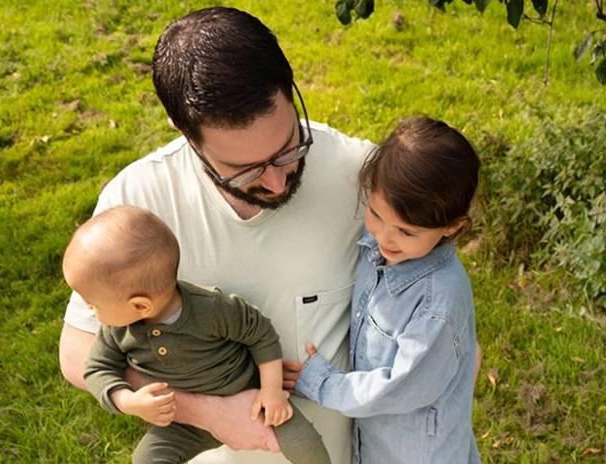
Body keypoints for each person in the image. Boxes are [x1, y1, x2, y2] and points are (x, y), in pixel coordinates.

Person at [58, 6, 376, 463]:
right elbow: (78, 350)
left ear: (291, 90)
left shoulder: (361, 179)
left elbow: (438, 322)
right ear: (185, 134)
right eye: (244, 169)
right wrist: (207, 412)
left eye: (288, 148)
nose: (277, 182)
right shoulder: (138, 199)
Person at [62, 205, 330, 464]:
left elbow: (260, 334)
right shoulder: (116, 331)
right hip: (186, 423)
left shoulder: (211, 308)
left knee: (303, 442)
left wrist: (271, 391)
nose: (89, 309)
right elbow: (97, 368)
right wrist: (127, 400)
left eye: (92, 303)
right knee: (147, 458)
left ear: (140, 306)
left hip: (250, 396)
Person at [294, 117, 482, 463]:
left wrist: (321, 383)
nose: (385, 238)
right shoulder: (376, 249)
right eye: (376, 215)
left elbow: (400, 386)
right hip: (379, 446)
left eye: (407, 232)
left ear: (452, 227)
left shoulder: (435, 302)